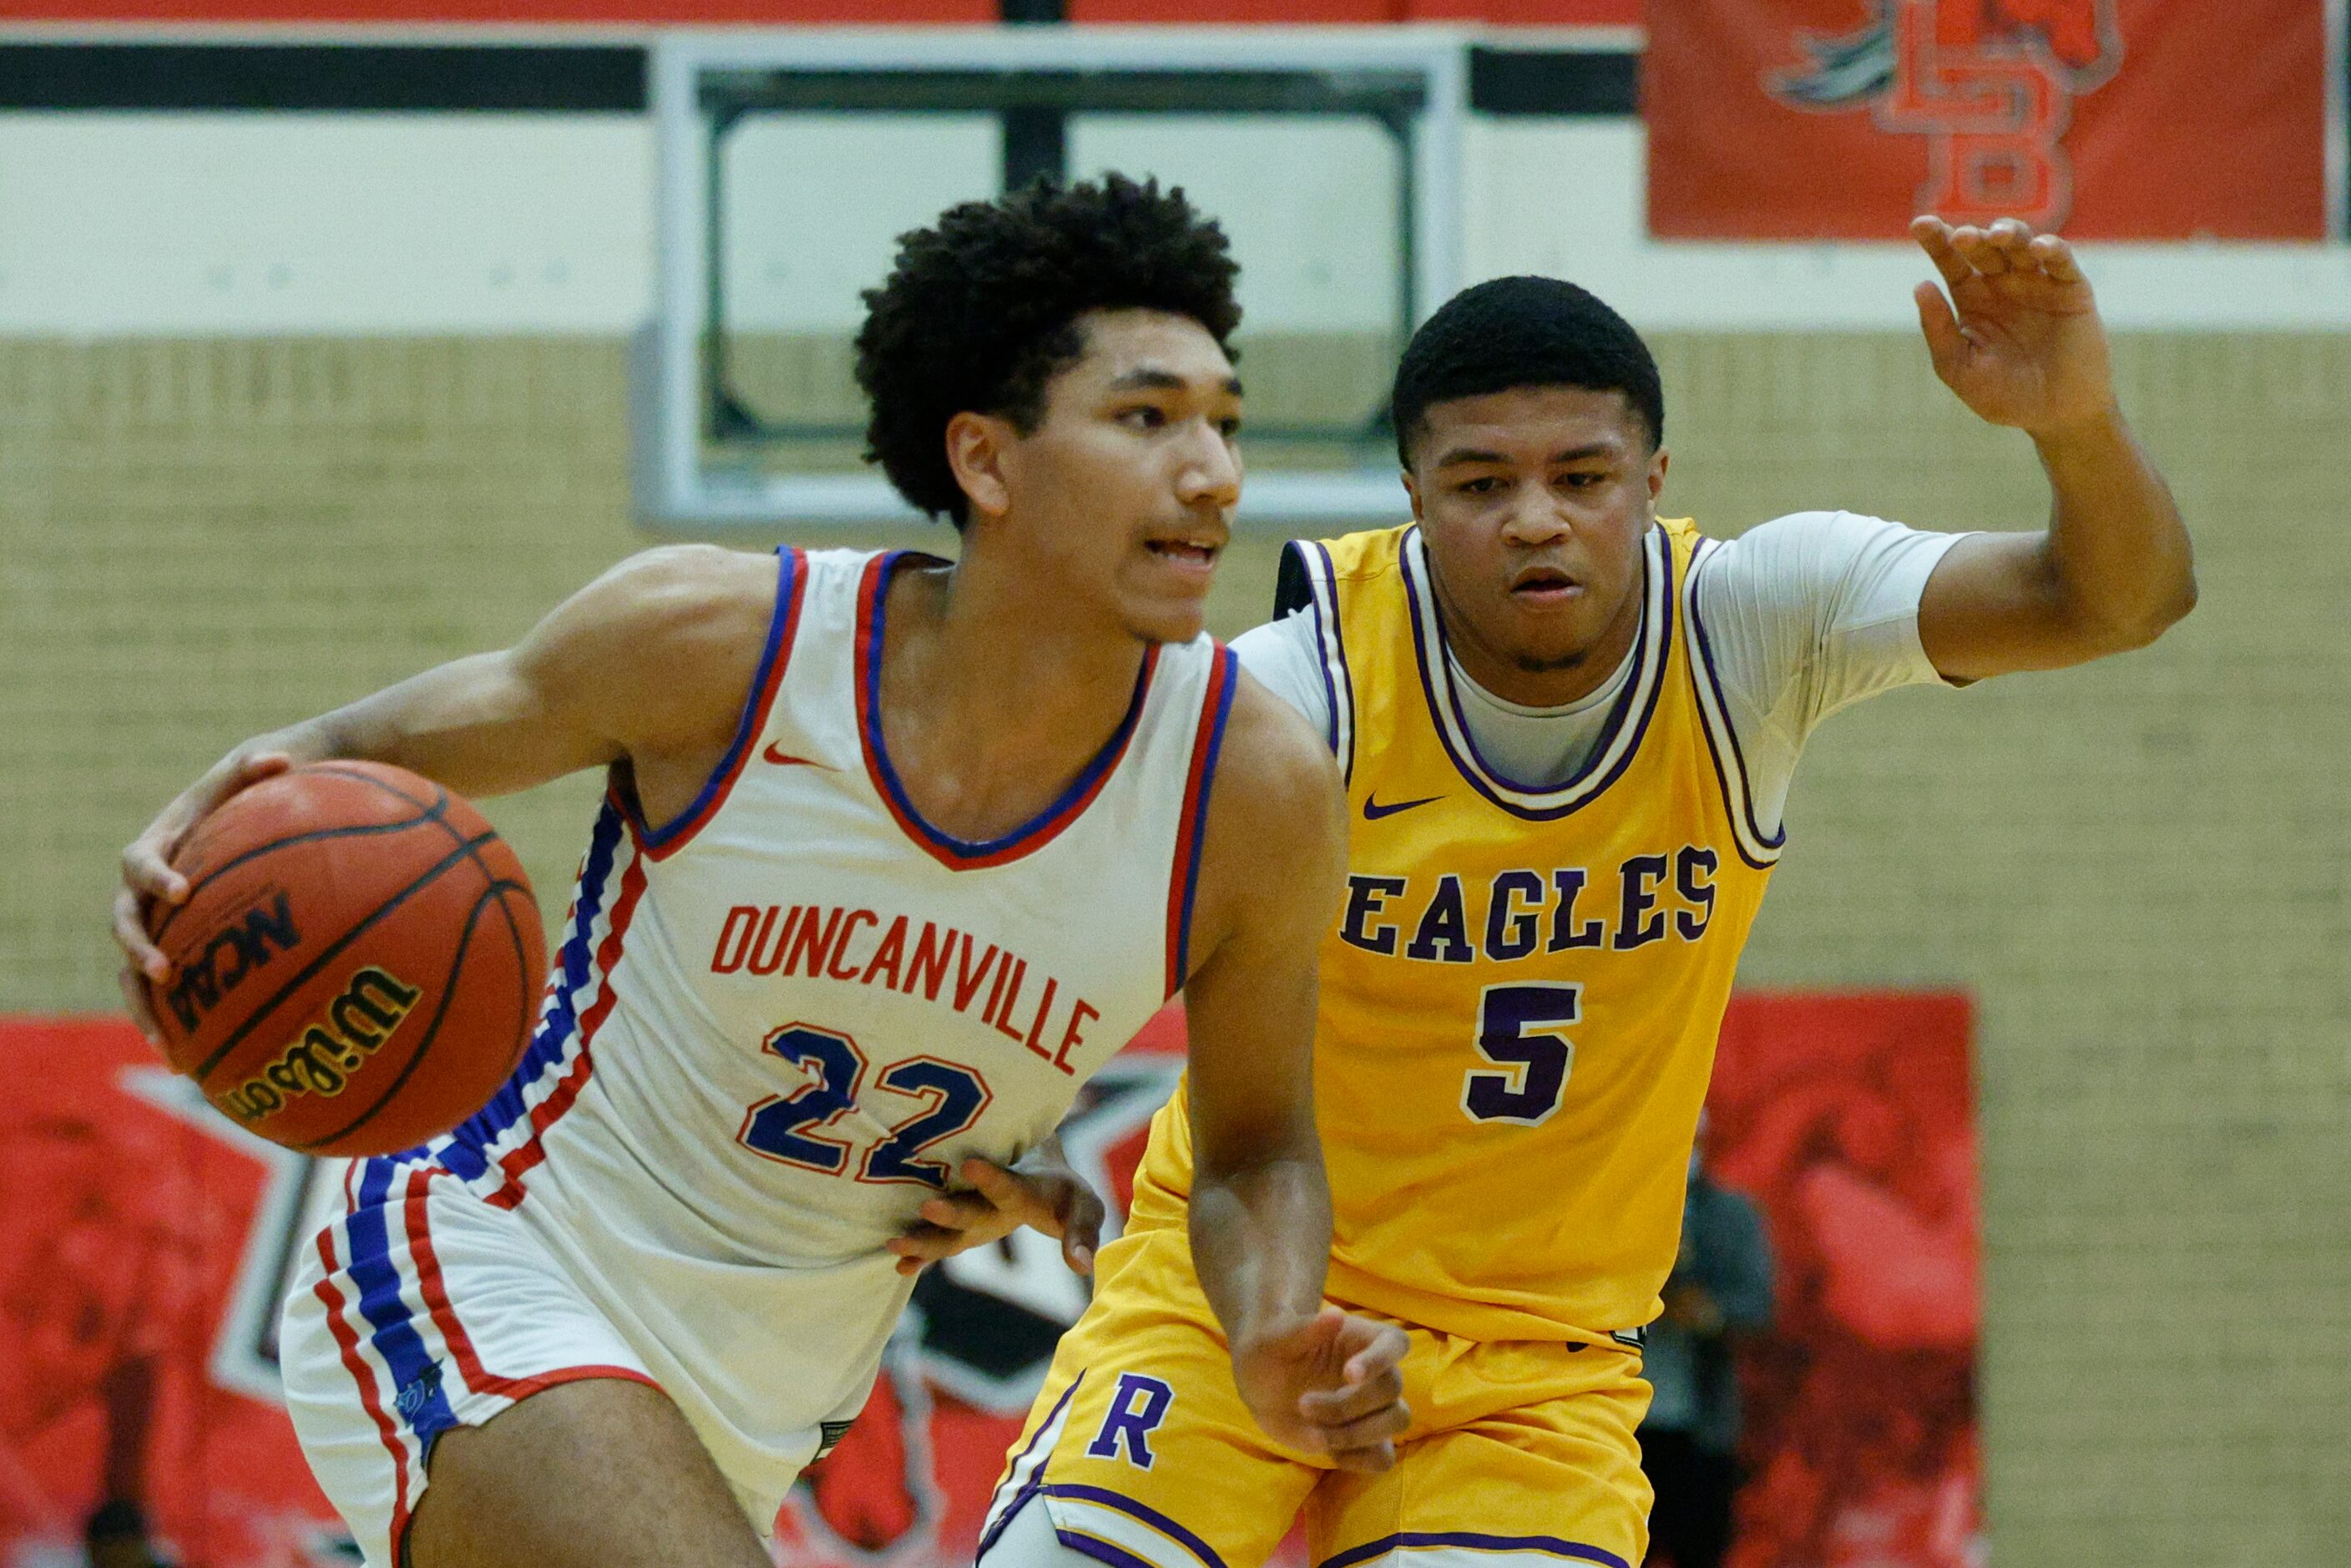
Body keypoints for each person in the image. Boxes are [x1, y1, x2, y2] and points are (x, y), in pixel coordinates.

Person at [107, 175, 1410, 1568]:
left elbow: (1261, 1143)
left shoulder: (1252, 790)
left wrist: (1272, 1322)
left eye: (1223, 419)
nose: (1212, 470)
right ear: (986, 460)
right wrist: (201, 834)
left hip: (768, 1402)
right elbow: (341, 759)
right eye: (1147, 417)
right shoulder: (726, 643)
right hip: (498, 1259)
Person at [980, 215, 2194, 1567]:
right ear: (1414, 494)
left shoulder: (1754, 626)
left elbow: (2114, 598)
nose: (1536, 517)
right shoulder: (1294, 692)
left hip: (1535, 1365)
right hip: (1241, 1304)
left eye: (1581, 474)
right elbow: (1038, 918)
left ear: (1654, 474)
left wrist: (2076, 422)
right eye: (1480, 481)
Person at [1639, 1120, 1774, 1568]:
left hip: (1699, 1425)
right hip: (1620, 1422)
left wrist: (1707, 1310)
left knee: (1699, 1547)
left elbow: (1758, 1304)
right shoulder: (1621, 1208)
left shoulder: (1730, 1215)